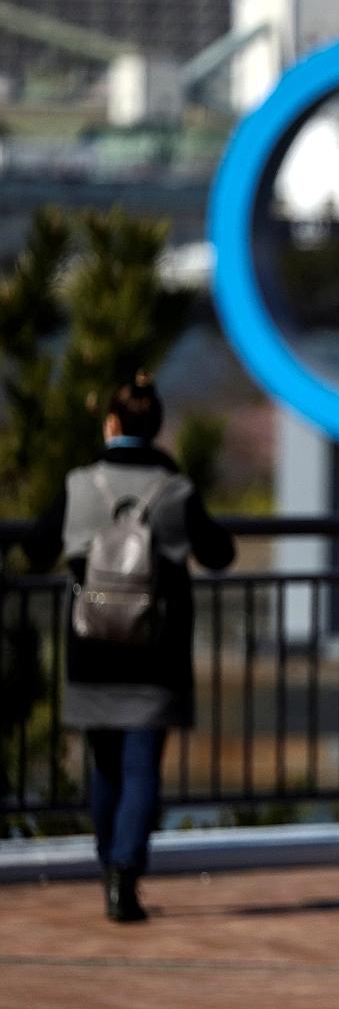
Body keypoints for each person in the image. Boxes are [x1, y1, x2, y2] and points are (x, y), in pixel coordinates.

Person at [23, 372, 236, 922]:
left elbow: (36, 546)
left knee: (105, 765)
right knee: (142, 767)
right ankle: (125, 873)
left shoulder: (78, 484)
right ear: (158, 426)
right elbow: (218, 554)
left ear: (110, 423)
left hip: (90, 647)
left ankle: (106, 865)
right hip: (156, 652)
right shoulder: (176, 490)